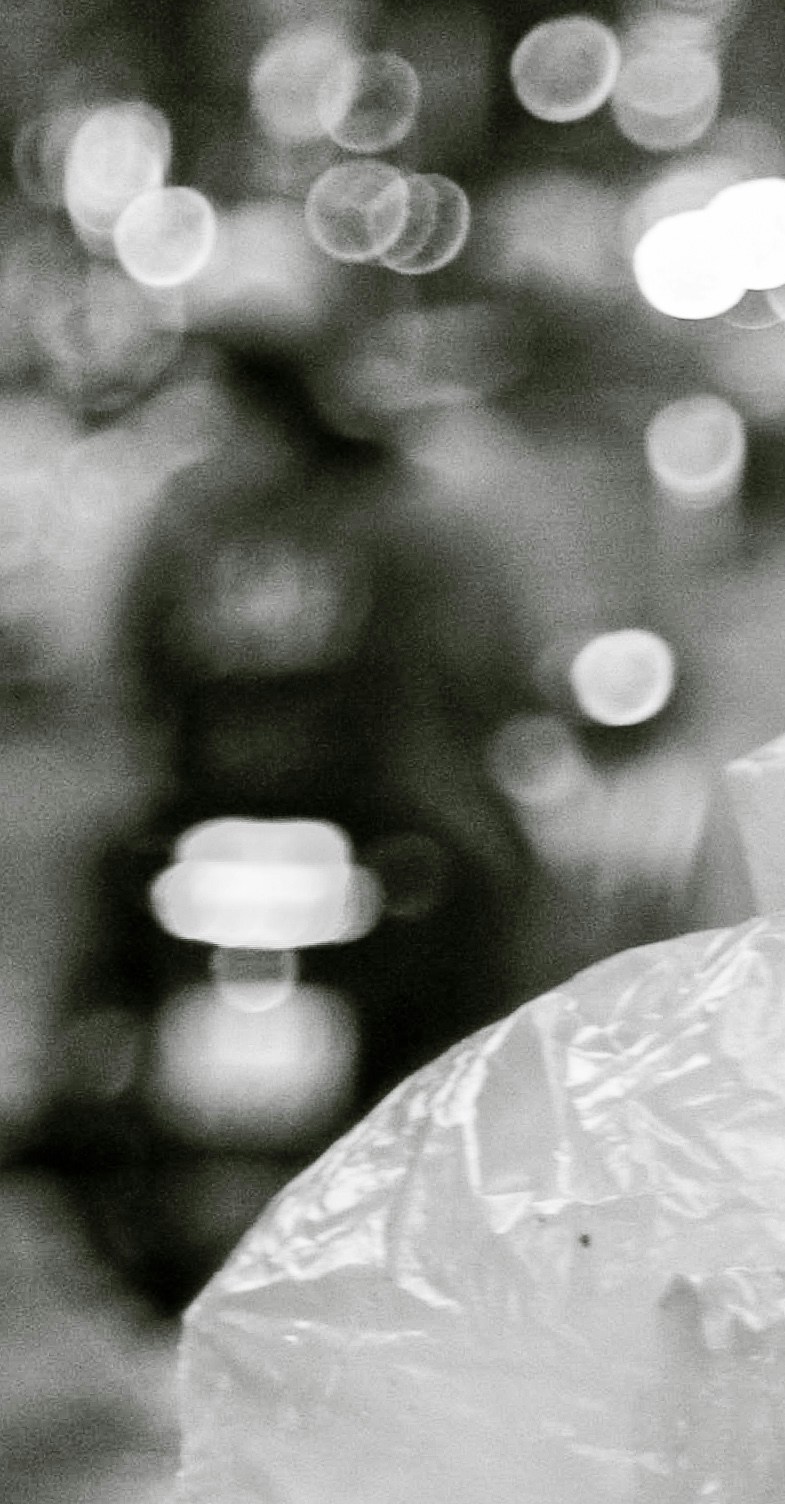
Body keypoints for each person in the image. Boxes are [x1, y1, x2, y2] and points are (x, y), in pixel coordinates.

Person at [88, 335, 551, 1090]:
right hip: (259, 814)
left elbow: (475, 663)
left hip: (358, 810)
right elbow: (129, 672)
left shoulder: (392, 518)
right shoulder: (195, 524)